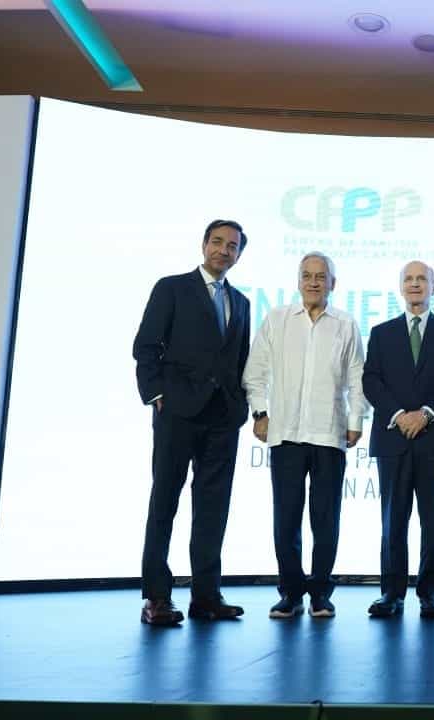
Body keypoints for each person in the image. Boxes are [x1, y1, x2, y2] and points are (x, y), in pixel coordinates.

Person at [133, 219, 252, 626]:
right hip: (177, 414)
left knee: (213, 508)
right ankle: (157, 598)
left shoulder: (243, 303)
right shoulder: (171, 288)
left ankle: (206, 596)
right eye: (217, 242)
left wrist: (241, 405)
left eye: (232, 246)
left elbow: (239, 361)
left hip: (223, 417)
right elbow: (146, 346)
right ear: (203, 245)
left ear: (239, 254)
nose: (223, 250)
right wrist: (156, 396)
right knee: (164, 500)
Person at [242, 251, 369, 620]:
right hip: (285, 434)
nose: (313, 282)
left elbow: (357, 377)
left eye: (321, 276)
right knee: (286, 518)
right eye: (307, 276)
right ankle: (291, 593)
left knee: (325, 519)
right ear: (298, 281)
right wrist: (260, 413)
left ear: (333, 283)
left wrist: (356, 421)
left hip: (329, 434)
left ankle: (321, 594)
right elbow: (255, 372)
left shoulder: (345, 324)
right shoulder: (278, 319)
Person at [362, 261, 434, 619]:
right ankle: (391, 593)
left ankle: (430, 593)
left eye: (422, 279)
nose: (415, 284)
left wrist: (427, 413)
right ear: (401, 287)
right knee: (393, 521)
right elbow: (371, 380)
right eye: (409, 279)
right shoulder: (381, 332)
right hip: (393, 439)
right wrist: (400, 416)